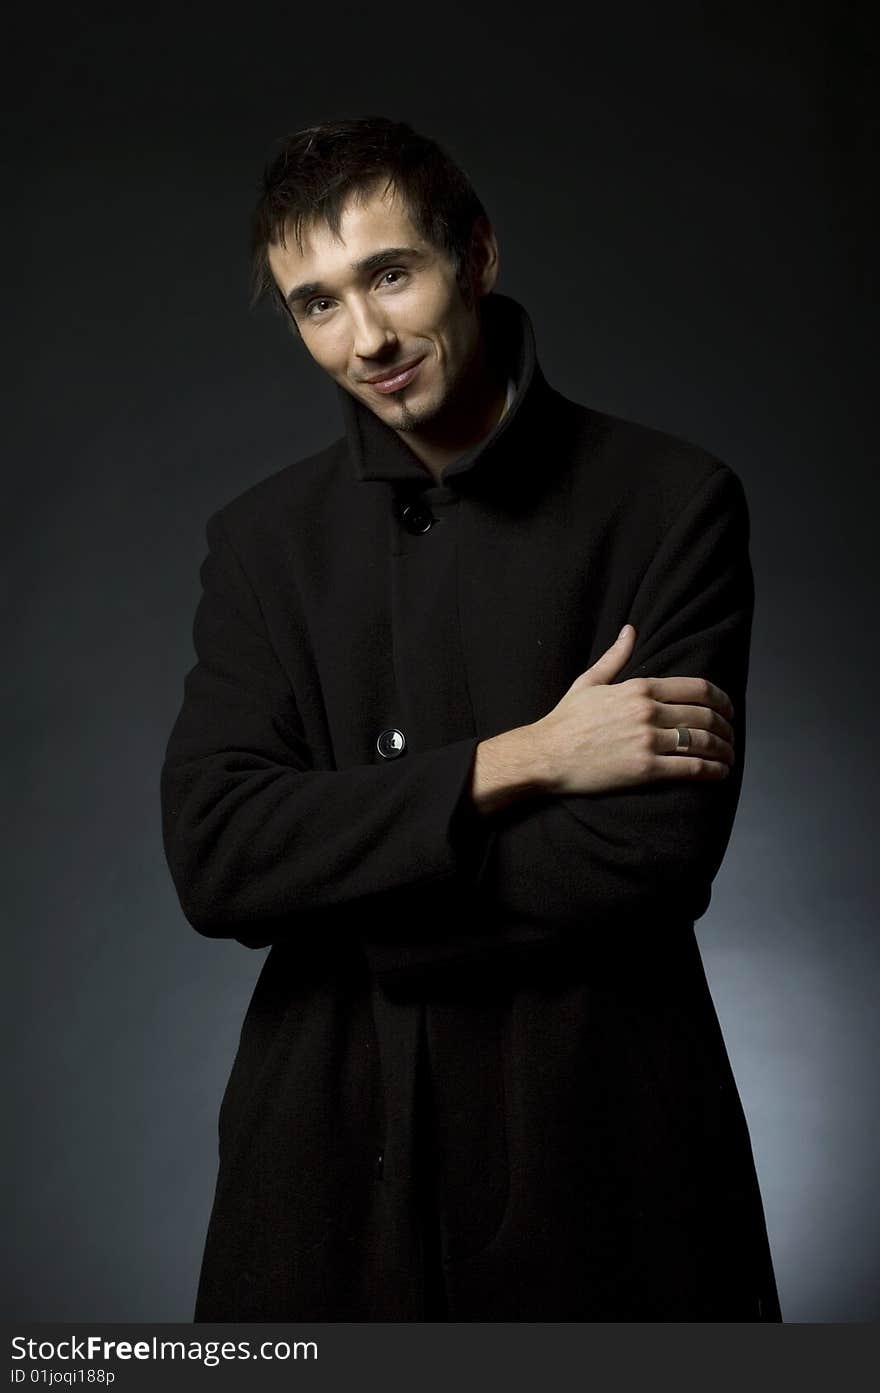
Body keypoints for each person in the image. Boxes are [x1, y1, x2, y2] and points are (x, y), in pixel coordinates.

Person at [160, 116, 782, 1321]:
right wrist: (527, 759)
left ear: (477, 255)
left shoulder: (668, 502)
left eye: (391, 275)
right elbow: (217, 853)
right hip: (326, 1155)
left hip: (599, 1141)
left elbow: (649, 854)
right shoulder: (260, 544)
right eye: (317, 303)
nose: (367, 339)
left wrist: (350, 891)